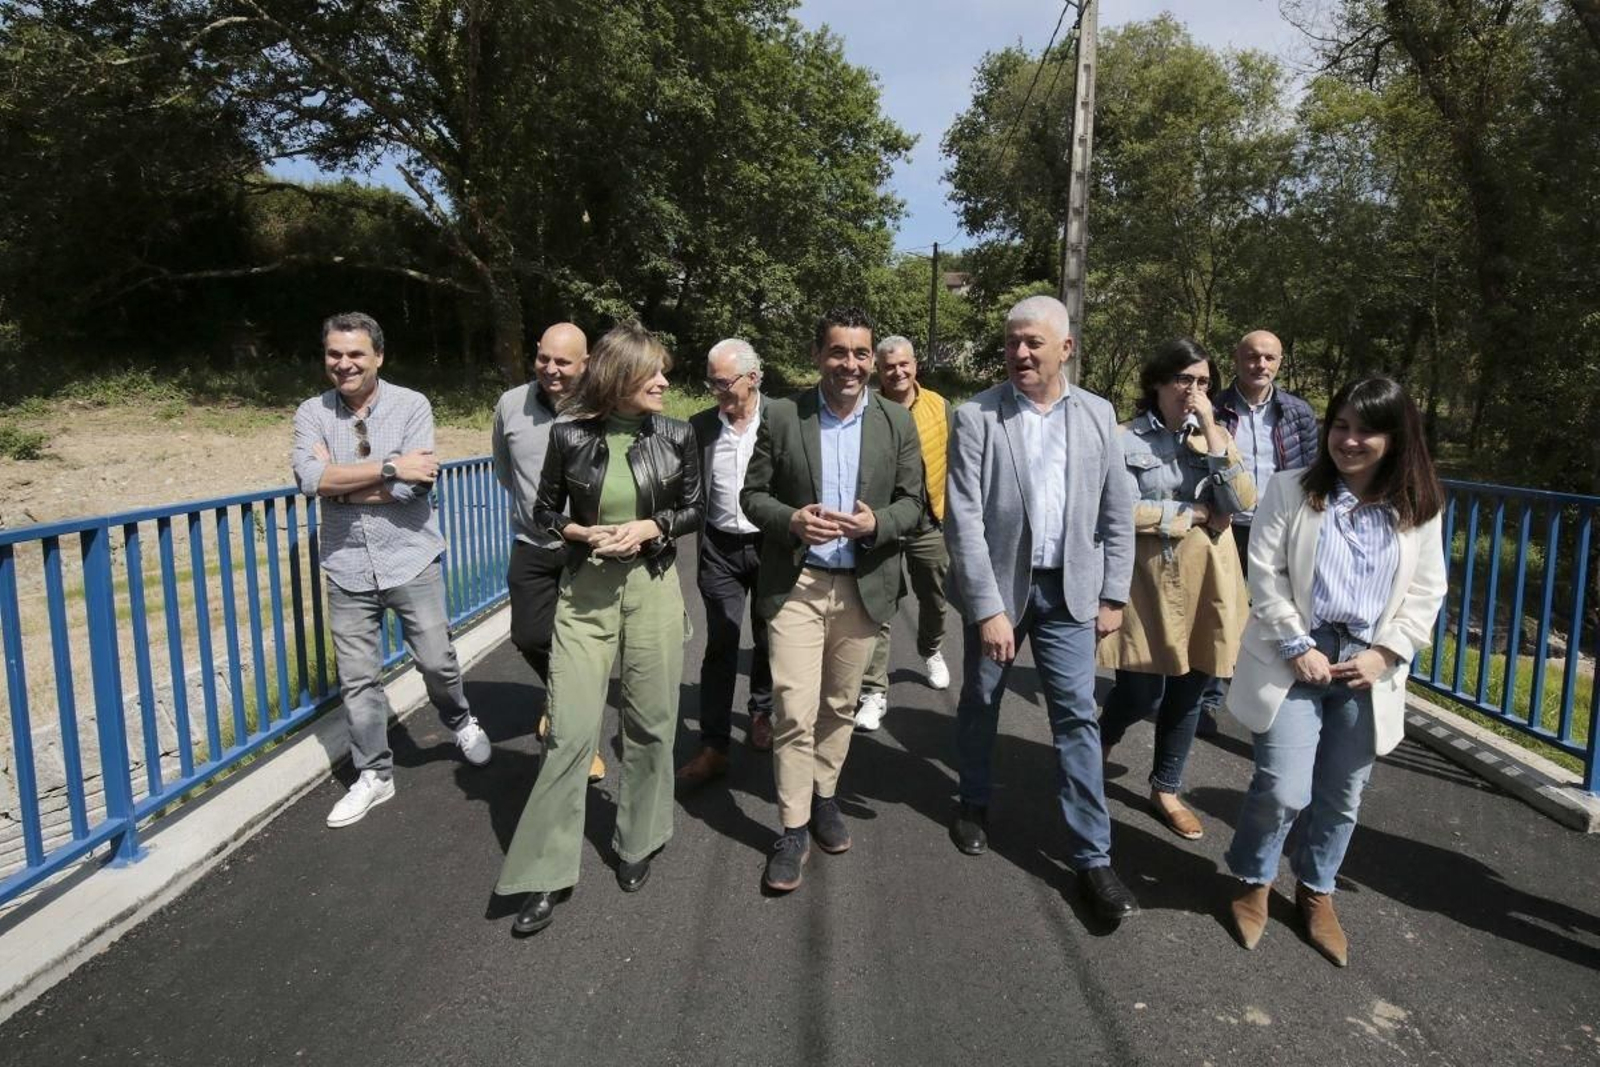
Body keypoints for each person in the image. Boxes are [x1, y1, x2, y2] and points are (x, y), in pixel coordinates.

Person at [1223, 377, 1446, 967]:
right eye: (1339, 426)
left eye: (1364, 430)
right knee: (1282, 787)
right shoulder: (1290, 488)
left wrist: (1386, 654)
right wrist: (1297, 644)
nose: (1348, 441)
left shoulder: (1419, 506)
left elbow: (1427, 592)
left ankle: (1316, 891)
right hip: (1292, 650)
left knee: (1343, 794)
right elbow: (1264, 571)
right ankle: (1252, 878)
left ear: (1397, 438)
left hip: (1367, 662)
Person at [495, 323, 703, 936]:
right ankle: (544, 872)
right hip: (584, 592)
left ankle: (640, 836)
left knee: (649, 721)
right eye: (652, 373)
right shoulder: (570, 436)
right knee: (569, 732)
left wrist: (652, 527)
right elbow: (544, 509)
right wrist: (578, 533)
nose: (664, 382)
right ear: (618, 379)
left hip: (653, 590)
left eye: (663, 371)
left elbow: (694, 506)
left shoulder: (678, 433)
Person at [944, 295, 1140, 924]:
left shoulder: (1098, 414)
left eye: (1032, 342)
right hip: (1002, 590)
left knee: (1077, 718)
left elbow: (1118, 510)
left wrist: (1113, 592)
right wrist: (987, 608)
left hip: (1072, 592)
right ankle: (973, 800)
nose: (1020, 353)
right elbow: (964, 520)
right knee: (982, 696)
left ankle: (1092, 857)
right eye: (1011, 343)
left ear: (1065, 348)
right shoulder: (976, 415)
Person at [740, 307, 925, 893]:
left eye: (860, 353)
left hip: (862, 585)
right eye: (838, 352)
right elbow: (752, 496)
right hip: (798, 583)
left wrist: (878, 523)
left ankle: (824, 796)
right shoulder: (781, 415)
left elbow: (915, 504)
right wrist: (791, 519)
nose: (850, 364)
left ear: (872, 359)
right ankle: (792, 827)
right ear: (819, 355)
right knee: (794, 708)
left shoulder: (897, 422)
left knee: (840, 705)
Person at [291, 311, 491, 829]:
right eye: (335, 354)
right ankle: (375, 774)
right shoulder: (312, 413)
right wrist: (386, 466)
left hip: (411, 558)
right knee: (358, 681)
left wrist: (344, 483)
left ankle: (460, 718)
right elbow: (310, 478)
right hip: (345, 566)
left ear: (378, 356)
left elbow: (414, 486)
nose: (344, 364)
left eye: (355, 354)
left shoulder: (411, 405)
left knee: (435, 659)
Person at [1096, 339, 1256, 841]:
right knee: (1139, 689)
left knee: (1192, 687)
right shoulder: (1121, 439)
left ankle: (1166, 787)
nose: (1194, 390)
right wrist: (1191, 514)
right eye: (1184, 380)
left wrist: (1212, 434)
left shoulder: (1215, 436)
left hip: (1208, 581)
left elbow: (1242, 500)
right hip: (1147, 581)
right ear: (1158, 384)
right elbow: (1115, 512)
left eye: (1204, 382)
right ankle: (1092, 750)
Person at [492, 322, 607, 783]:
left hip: (588, 549)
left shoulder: (602, 407)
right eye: (544, 358)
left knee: (586, 651)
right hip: (534, 542)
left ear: (586, 364)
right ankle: (559, 698)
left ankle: (581, 741)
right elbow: (505, 469)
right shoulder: (510, 405)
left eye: (563, 362)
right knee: (530, 636)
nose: (551, 370)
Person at [1196, 330, 1319, 736]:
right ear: (1237, 358)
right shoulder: (1214, 408)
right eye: (1252, 357)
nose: (1260, 365)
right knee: (1220, 611)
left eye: (1269, 358)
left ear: (1280, 362)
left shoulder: (1297, 412)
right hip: (1229, 523)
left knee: (1278, 611)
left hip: (1281, 528)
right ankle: (1208, 700)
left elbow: (1312, 471)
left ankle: (1273, 700)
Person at [676, 339, 775, 784]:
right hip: (718, 548)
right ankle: (713, 744)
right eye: (711, 382)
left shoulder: (781, 420)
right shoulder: (698, 427)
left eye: (723, 381)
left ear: (752, 378)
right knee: (721, 643)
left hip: (770, 545)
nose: (716, 390)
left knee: (769, 636)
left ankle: (762, 711)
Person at [854, 335, 955, 732]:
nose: (897, 372)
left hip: (929, 520)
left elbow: (958, 461)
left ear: (915, 365)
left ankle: (930, 648)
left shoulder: (940, 407)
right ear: (879, 369)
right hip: (880, 521)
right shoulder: (866, 409)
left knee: (935, 595)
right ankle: (874, 690)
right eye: (889, 366)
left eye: (904, 364)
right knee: (877, 605)